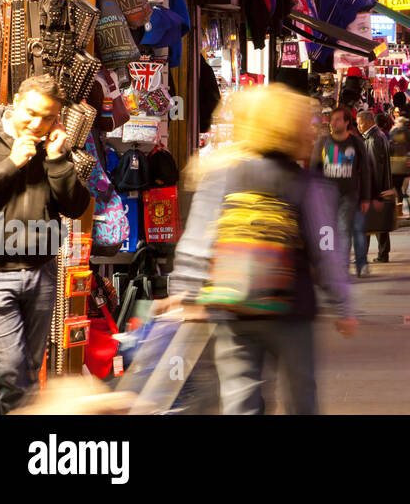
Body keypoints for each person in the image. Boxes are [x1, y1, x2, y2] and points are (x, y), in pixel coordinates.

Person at [167, 84, 356, 414]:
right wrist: (342, 304)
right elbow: (326, 249)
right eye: (307, 125)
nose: (314, 133)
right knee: (301, 398)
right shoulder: (309, 185)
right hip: (291, 309)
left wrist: (185, 291)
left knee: (239, 398)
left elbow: (198, 238)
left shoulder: (222, 174)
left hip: (231, 305)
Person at [0, 75, 89, 413]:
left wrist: (56, 160)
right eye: (31, 113)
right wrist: (11, 164)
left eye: (48, 116)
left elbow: (75, 206)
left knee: (26, 370)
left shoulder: (53, 144)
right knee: (12, 373)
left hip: (41, 272)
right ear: (15, 101)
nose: (37, 124)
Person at [311, 106, 372, 277]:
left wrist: (366, 197)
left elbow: (365, 171)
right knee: (326, 231)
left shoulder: (356, 143)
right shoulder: (322, 143)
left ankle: (342, 267)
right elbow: (314, 170)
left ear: (346, 122)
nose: (333, 123)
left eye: (338, 119)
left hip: (348, 194)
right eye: (332, 119)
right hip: (326, 196)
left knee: (344, 230)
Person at [356, 110, 395, 265]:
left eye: (359, 123)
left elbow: (373, 168)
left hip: (376, 189)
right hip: (381, 188)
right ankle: (382, 253)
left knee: (368, 223)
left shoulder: (373, 139)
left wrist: (372, 192)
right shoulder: (378, 136)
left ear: (368, 122)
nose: (358, 126)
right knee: (379, 222)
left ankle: (364, 255)